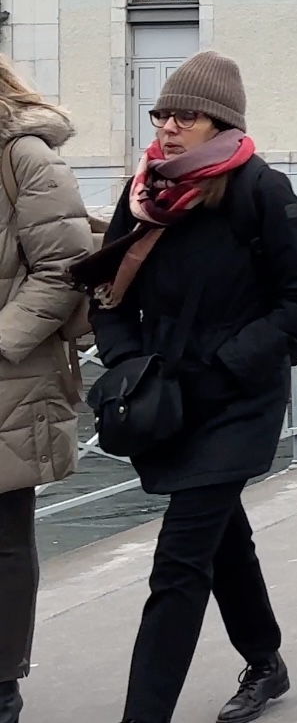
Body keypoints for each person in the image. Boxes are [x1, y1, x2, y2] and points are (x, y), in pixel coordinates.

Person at [83, 52, 297, 723]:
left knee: (179, 559)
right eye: (161, 113)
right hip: (169, 401)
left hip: (238, 399)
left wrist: (232, 360)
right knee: (223, 536)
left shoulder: (262, 190)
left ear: (217, 121)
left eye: (183, 115)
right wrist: (128, 360)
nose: (166, 127)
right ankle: (266, 660)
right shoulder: (146, 195)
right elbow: (106, 295)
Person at [0, 56, 98, 723]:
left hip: (13, 373)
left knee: (5, 534)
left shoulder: (24, 154)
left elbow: (65, 265)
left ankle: (3, 685)